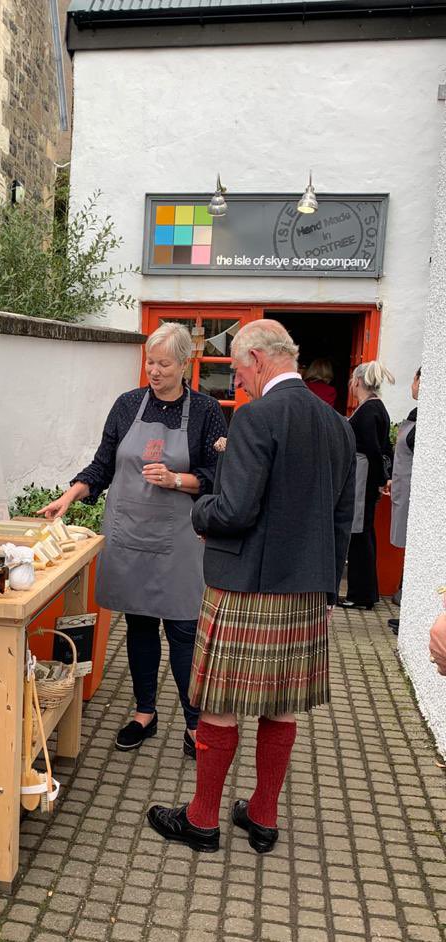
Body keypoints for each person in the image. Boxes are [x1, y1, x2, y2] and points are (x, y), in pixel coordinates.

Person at [146, 319, 355, 854]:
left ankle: (202, 821)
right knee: (280, 705)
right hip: (306, 592)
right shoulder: (337, 424)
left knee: (220, 703)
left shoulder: (256, 419)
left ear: (259, 358)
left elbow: (234, 511)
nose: (238, 382)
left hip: (245, 588)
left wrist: (198, 510)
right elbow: (340, 521)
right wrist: (329, 591)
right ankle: (262, 819)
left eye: (239, 370)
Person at [39, 322, 226, 757]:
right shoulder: (127, 406)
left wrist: (178, 479)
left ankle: (196, 722)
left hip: (179, 539)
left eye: (163, 363)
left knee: (183, 630)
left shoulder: (205, 411)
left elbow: (218, 478)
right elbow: (102, 465)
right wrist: (68, 496)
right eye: (149, 362)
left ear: (185, 364)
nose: (154, 371)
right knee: (140, 625)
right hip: (129, 535)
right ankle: (144, 712)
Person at [338, 361, 394, 610]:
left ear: (357, 381)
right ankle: (363, 593)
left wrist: (379, 480)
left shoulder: (369, 410)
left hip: (363, 479)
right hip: (366, 478)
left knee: (360, 535)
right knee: (363, 534)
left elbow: (373, 448)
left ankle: (360, 595)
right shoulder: (374, 408)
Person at [384, 367, 420, 635]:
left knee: (414, 547)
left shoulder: (427, 421)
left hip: (413, 494)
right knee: (407, 545)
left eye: (415, 379)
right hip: (403, 489)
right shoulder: (414, 415)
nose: (413, 385)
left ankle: (409, 606)